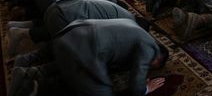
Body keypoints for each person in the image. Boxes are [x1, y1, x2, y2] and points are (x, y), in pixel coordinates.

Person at [8, 19, 169, 96]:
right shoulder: (149, 48)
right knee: (99, 89)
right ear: (158, 58)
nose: (148, 66)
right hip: (86, 49)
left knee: (78, 73)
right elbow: (136, 87)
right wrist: (146, 88)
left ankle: (31, 78)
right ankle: (33, 86)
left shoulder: (132, 28)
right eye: (151, 66)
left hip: (71, 32)